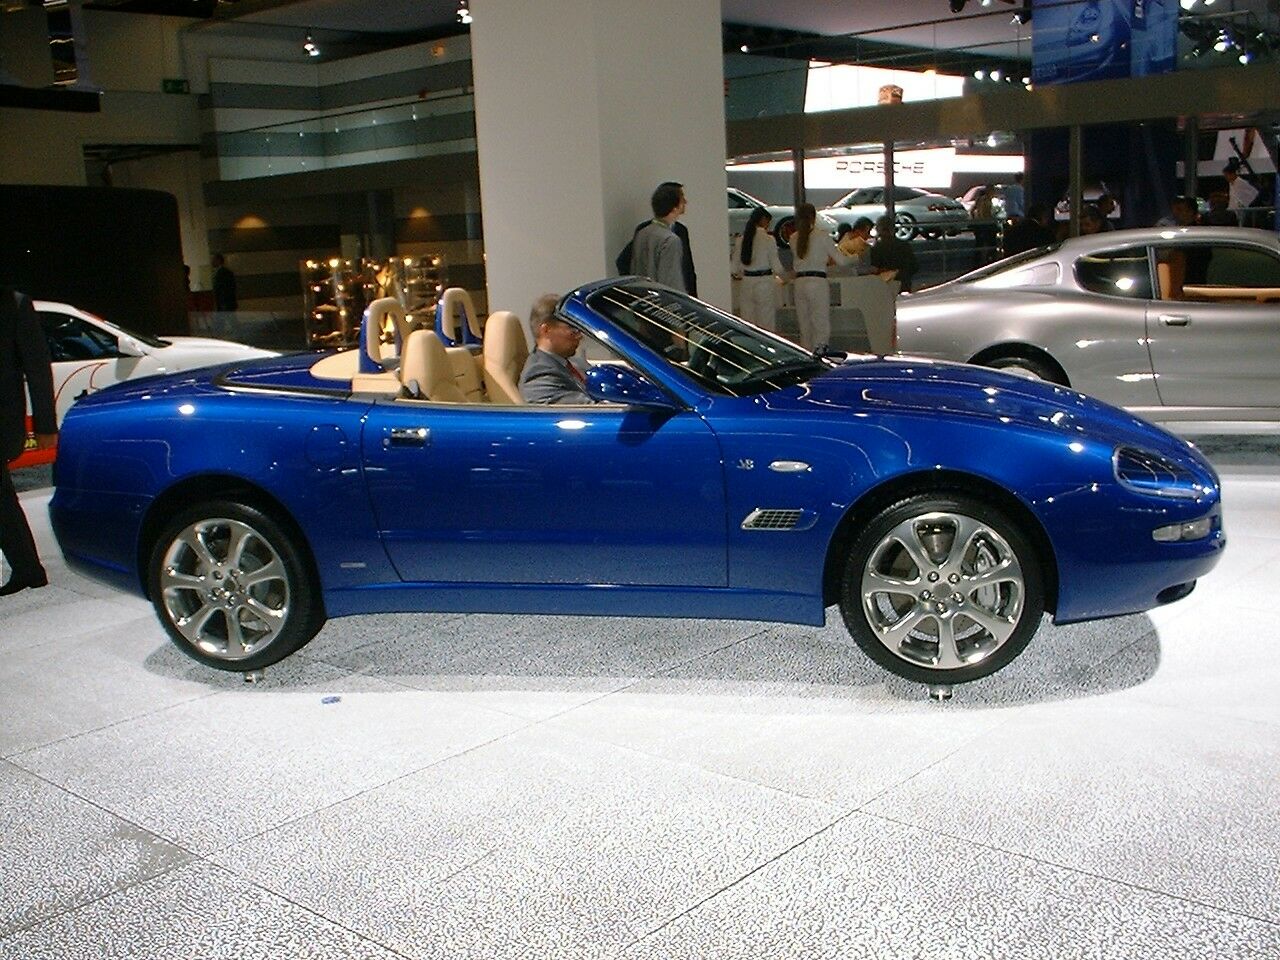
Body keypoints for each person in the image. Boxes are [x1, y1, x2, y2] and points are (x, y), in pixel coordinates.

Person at [1, 287, 57, 596]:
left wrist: (45, 423)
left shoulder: (15, 304)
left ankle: (29, 569)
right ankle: (29, 569)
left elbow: (37, 367)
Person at [788, 202, 853, 351]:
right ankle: (820, 353)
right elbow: (841, 261)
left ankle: (806, 353)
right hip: (817, 282)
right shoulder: (822, 236)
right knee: (821, 323)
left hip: (799, 283)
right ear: (813, 217)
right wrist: (855, 257)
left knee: (804, 325)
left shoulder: (793, 238)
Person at [518, 294, 595, 405]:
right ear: (546, 330)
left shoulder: (574, 363)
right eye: (572, 329)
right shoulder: (538, 377)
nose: (579, 336)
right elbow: (590, 408)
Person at [731, 207, 785, 331]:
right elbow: (776, 266)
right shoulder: (768, 239)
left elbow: (734, 267)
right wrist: (785, 276)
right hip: (764, 283)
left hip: (746, 283)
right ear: (763, 220)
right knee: (766, 322)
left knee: (747, 322)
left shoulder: (741, 239)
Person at [629, 183, 687, 291]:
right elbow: (671, 283)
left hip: (643, 298)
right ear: (674, 207)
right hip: (662, 301)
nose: (685, 202)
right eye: (682, 200)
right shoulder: (670, 240)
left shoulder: (642, 233)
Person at [868, 215, 918, 293]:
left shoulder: (877, 248)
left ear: (878, 229)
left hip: (885, 286)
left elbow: (874, 269)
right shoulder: (904, 245)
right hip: (904, 283)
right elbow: (914, 266)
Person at [970, 187, 998, 264]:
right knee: (990, 243)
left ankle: (978, 260)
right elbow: (986, 213)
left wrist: (974, 219)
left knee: (980, 243)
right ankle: (990, 259)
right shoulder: (986, 201)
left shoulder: (980, 200)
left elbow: (972, 210)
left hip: (979, 224)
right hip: (986, 225)